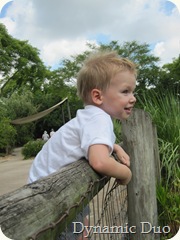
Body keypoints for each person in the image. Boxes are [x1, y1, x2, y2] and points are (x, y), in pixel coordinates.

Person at [28, 50, 137, 239]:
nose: (133, 98)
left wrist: (115, 147)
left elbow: (94, 144)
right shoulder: (99, 119)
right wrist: (126, 174)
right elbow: (100, 162)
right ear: (98, 96)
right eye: (125, 91)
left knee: (81, 226)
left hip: (47, 187)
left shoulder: (89, 116)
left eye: (133, 91)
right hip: (52, 198)